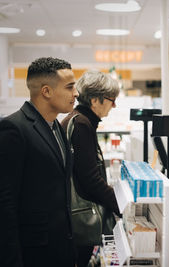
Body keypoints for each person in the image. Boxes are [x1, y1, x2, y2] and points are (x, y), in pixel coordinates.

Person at [0, 57, 78, 266]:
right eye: (70, 87)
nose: (76, 93)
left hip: (61, 247)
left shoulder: (56, 127)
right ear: (46, 91)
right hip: (33, 253)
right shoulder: (14, 129)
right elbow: (5, 205)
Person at [61, 70, 120, 267]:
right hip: (79, 219)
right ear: (95, 100)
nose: (114, 105)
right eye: (111, 100)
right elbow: (90, 180)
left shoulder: (77, 120)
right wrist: (120, 205)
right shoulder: (81, 125)